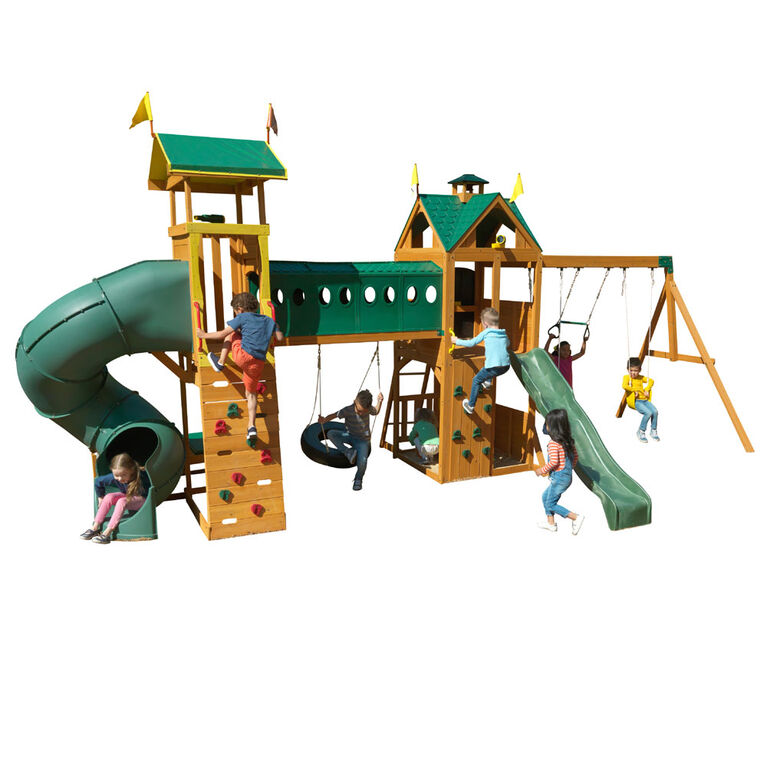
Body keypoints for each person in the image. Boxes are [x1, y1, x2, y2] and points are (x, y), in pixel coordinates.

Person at [197, 292, 284, 443]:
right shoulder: (269, 320)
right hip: (258, 363)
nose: (236, 314)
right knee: (251, 394)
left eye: (235, 312)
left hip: (243, 357)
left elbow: (222, 334)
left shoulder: (242, 317)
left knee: (231, 334)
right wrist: (275, 328)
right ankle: (251, 426)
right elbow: (280, 337)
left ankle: (220, 363)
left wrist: (203, 335)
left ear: (240, 309)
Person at [318, 389, 384, 491]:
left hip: (363, 441)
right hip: (349, 435)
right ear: (354, 402)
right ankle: (348, 452)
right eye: (359, 410)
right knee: (331, 433)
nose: (360, 413)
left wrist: (379, 401)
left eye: (363, 411)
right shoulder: (348, 410)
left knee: (362, 462)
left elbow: (376, 411)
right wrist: (324, 420)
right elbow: (334, 415)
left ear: (367, 408)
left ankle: (358, 479)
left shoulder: (368, 409)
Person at [451, 307, 510, 414]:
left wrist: (457, 341)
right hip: (506, 366)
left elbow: (471, 343)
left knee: (477, 380)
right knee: (489, 364)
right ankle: (487, 382)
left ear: (485, 323)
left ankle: (470, 406)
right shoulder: (503, 333)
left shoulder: (486, 332)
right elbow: (508, 344)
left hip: (494, 367)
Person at [534, 409, 585, 534]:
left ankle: (575, 517)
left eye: (547, 424)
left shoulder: (553, 444)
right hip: (565, 477)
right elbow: (575, 457)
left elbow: (553, 462)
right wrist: (568, 469)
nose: (545, 426)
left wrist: (541, 470)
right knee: (545, 497)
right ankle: (551, 524)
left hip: (559, 478)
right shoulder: (567, 441)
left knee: (550, 504)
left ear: (552, 428)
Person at [80, 453, 149, 544]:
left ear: (131, 470)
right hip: (129, 496)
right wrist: (101, 497)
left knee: (121, 501)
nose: (120, 478)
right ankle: (95, 527)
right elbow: (98, 481)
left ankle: (107, 532)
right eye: (116, 475)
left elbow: (153, 488)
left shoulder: (141, 476)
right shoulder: (115, 477)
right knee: (109, 497)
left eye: (124, 475)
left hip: (143, 500)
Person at [622, 356, 659, 443]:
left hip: (645, 400)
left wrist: (647, 389)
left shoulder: (641, 377)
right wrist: (633, 390)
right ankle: (641, 431)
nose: (633, 373)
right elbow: (624, 386)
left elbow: (651, 381)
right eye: (631, 370)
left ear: (639, 370)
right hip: (635, 401)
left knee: (655, 411)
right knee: (648, 413)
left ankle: (653, 430)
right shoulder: (627, 377)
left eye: (635, 371)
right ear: (627, 369)